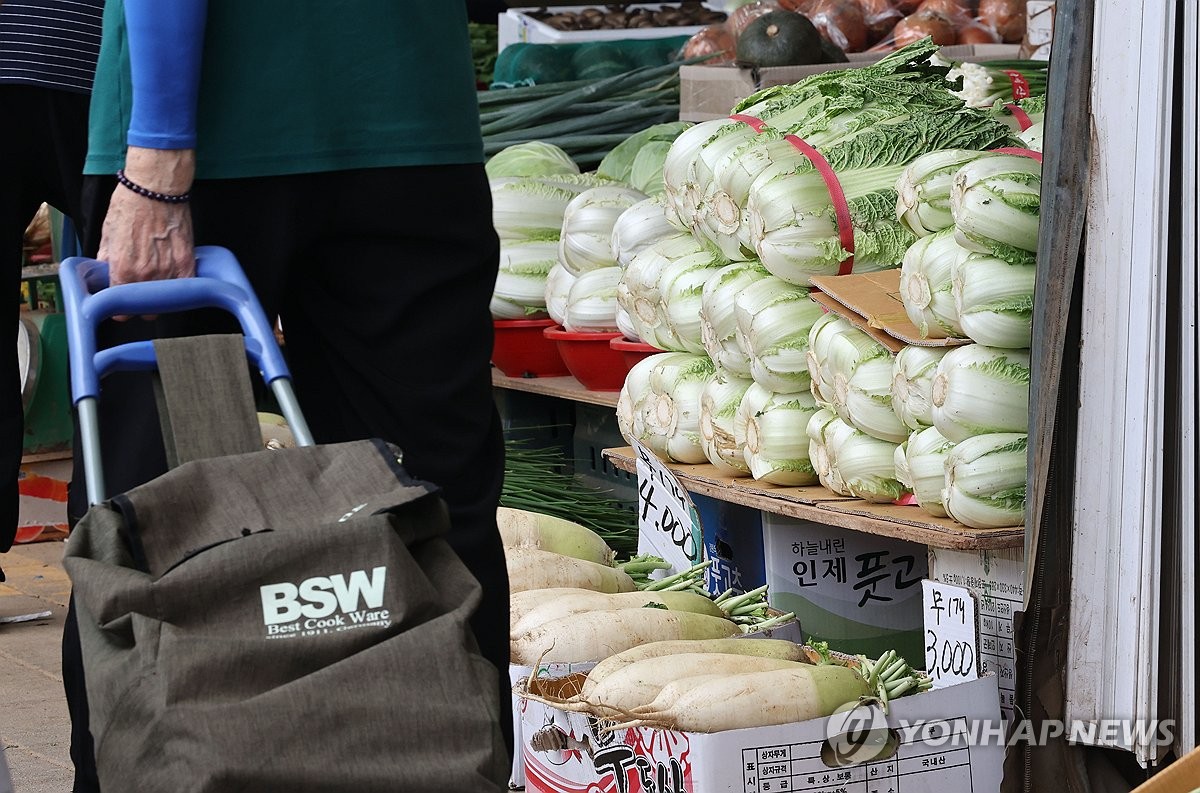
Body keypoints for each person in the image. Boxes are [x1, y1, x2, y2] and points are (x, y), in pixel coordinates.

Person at [65, 0, 511, 786]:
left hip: (212, 143)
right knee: (425, 515)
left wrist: (160, 150)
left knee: (164, 524)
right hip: (403, 116)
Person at [0, 0, 106, 573]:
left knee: (140, 299)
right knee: (138, 305)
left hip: (91, 58)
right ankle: (131, 533)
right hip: (90, 54)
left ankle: (131, 527)